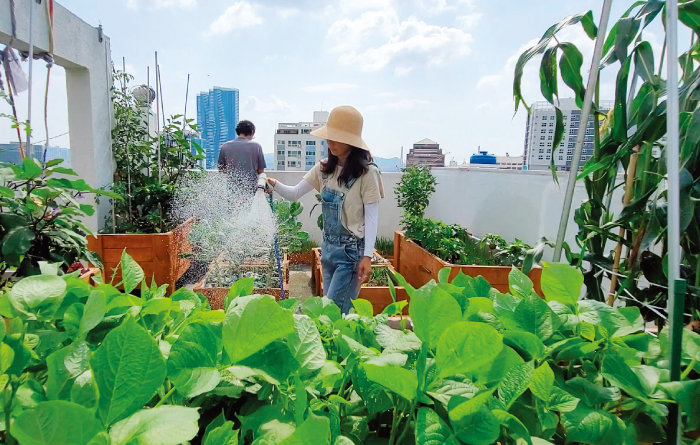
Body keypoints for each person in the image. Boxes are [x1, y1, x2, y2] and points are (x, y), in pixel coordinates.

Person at [267, 105, 383, 313]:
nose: (330, 142)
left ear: (351, 141)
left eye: (337, 137)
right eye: (329, 136)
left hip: (350, 254)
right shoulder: (323, 169)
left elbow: (372, 217)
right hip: (328, 249)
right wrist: (273, 184)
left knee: (331, 313)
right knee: (333, 315)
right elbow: (294, 193)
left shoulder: (367, 174)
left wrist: (368, 256)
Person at [217, 120, 266, 195]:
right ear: (252, 131)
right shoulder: (256, 146)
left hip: (232, 189)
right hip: (251, 189)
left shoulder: (225, 146)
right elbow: (260, 171)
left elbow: (221, 170)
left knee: (233, 206)